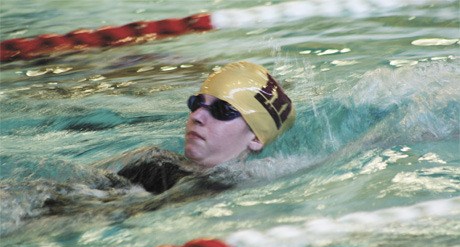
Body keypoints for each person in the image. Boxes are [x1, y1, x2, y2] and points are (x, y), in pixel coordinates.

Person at [1, 62, 295, 233]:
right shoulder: (153, 157)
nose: (197, 116)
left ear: (256, 137)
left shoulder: (226, 190)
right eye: (196, 103)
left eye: (223, 110)